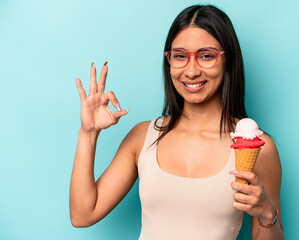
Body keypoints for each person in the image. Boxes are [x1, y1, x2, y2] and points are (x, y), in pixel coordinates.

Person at [70, 4, 284, 240]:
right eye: (180, 56)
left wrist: (266, 213)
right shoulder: (143, 137)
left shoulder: (258, 148)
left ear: (228, 61)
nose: (191, 71)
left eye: (206, 56)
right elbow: (82, 215)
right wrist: (88, 133)